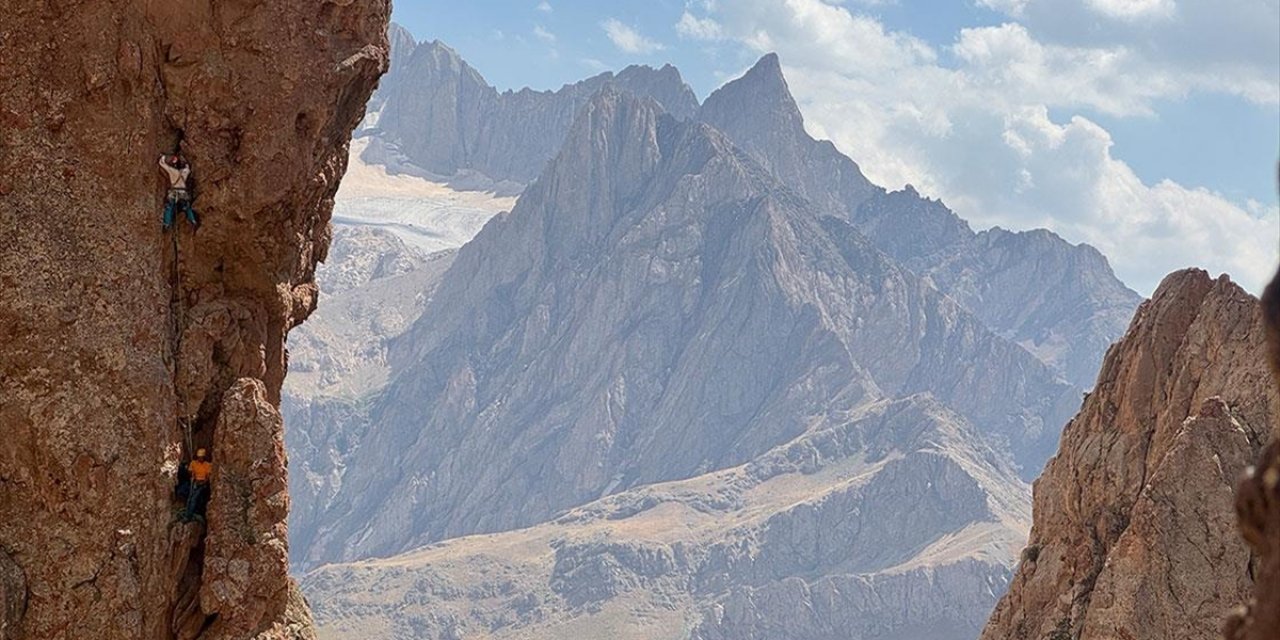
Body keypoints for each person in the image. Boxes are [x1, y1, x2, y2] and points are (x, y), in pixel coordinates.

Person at [159, 154, 199, 230]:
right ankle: (193, 220)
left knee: (169, 207)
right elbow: (188, 168)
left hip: (174, 191)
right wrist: (185, 163)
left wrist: (163, 157)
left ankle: (167, 224)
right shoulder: (185, 172)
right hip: (183, 192)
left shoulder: (172, 171)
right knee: (187, 207)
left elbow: (162, 163)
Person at [183, 448, 213, 522]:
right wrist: (191, 473)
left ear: (204, 457)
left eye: (201, 457)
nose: (200, 459)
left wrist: (202, 483)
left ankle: (188, 516)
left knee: (194, 498)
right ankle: (187, 513)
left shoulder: (207, 465)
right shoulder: (193, 463)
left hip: (202, 484)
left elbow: (208, 477)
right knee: (190, 498)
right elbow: (190, 472)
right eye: (199, 457)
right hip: (195, 481)